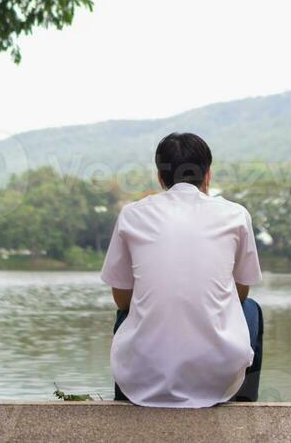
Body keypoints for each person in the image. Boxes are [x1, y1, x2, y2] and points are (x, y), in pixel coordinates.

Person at [100, 131, 263, 408]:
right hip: (218, 377)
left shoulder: (132, 214)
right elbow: (242, 291)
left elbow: (122, 299)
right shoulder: (236, 215)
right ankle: (244, 403)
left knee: (128, 312)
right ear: (208, 174)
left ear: (160, 177)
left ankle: (125, 398)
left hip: (142, 376)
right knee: (251, 308)